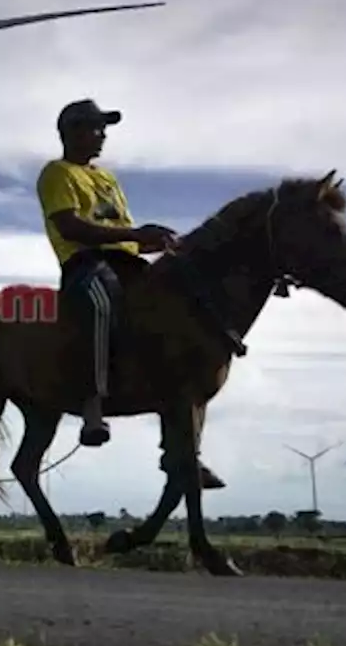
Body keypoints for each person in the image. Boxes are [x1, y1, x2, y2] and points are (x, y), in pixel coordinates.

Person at [37, 98, 226, 490]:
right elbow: (72, 227)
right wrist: (133, 236)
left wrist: (153, 241)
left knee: (180, 303)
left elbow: (125, 232)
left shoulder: (108, 179)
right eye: (94, 127)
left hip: (126, 262)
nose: (102, 135)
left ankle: (179, 447)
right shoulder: (57, 174)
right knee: (101, 301)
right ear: (71, 131)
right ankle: (92, 399)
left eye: (103, 128)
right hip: (86, 264)